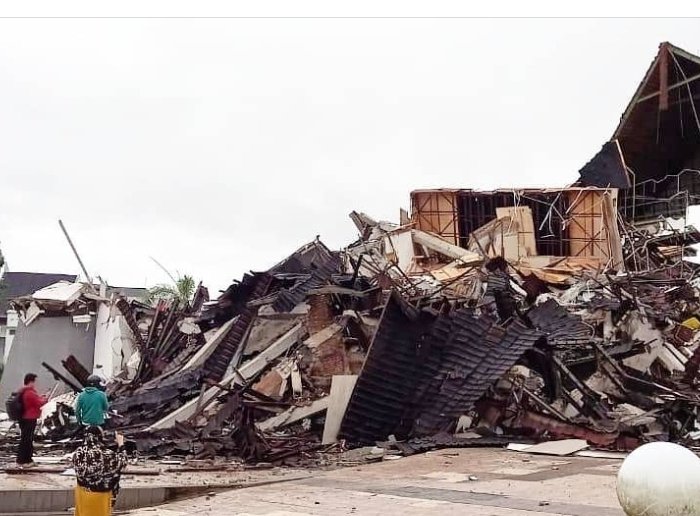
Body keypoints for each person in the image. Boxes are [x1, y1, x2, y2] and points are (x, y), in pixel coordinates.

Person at [72, 426, 127, 516]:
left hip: (82, 494)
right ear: (99, 437)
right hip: (100, 496)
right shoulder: (106, 454)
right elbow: (123, 461)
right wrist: (120, 444)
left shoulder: (78, 453)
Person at [16, 373, 48, 468]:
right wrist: (45, 399)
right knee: (27, 440)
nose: (35, 384)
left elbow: (34, 401)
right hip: (29, 419)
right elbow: (39, 403)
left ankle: (26, 460)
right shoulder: (29, 392)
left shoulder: (23, 391)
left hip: (24, 418)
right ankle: (23, 461)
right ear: (31, 381)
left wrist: (40, 397)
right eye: (34, 382)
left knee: (26, 439)